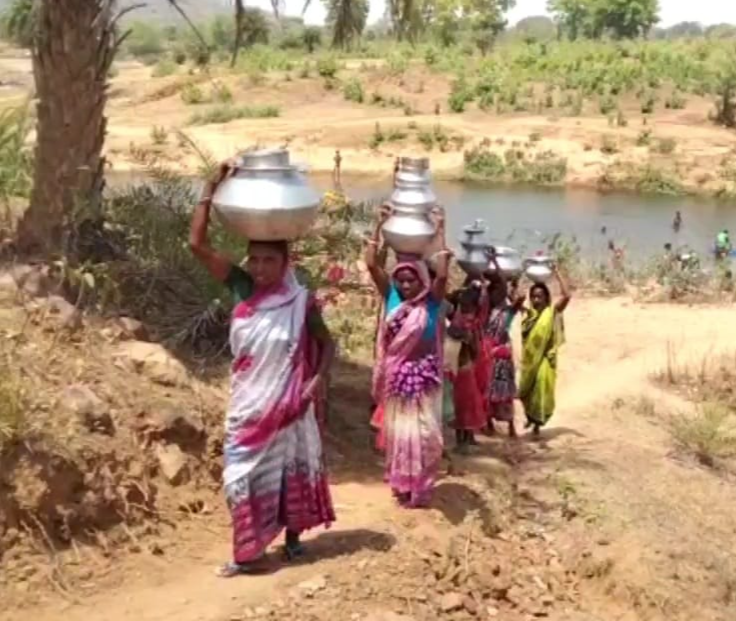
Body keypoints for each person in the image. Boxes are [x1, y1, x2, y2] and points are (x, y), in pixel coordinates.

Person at [190, 163, 336, 577]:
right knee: (237, 475)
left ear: (285, 263)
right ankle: (248, 547)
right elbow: (196, 244)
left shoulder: (300, 302)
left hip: (290, 401)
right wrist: (209, 187)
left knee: (289, 469)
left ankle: (288, 541)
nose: (258, 268)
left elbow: (327, 344)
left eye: (268, 261)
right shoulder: (241, 286)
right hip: (248, 403)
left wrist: (317, 380)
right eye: (253, 259)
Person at [366, 204, 450, 507]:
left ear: (421, 281)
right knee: (401, 436)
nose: (404, 285)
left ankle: (422, 486)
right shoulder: (391, 298)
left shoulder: (430, 303)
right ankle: (403, 485)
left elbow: (442, 276)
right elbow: (372, 265)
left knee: (424, 436)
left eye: (410, 280)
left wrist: (440, 231)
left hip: (423, 378)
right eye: (400, 280)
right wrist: (379, 226)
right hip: (397, 379)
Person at [518, 265, 571, 437]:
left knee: (541, 389)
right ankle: (530, 416)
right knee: (527, 391)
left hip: (545, 360)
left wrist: (556, 272)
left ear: (546, 298)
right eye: (533, 296)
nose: (536, 300)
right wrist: (517, 276)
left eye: (539, 296)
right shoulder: (528, 314)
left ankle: (537, 424)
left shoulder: (552, 312)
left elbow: (567, 296)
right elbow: (513, 298)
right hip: (529, 360)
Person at [484, 269, 524, 439]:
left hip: (502, 356)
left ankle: (511, 426)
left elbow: (520, 298)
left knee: (505, 392)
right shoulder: (484, 312)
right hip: (487, 356)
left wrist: (513, 284)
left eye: (500, 292)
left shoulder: (506, 310)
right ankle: (489, 423)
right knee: (488, 390)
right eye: (494, 292)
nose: (497, 295)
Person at [448, 284, 486, 453]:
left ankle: (464, 439)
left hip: (461, 368)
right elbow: (475, 349)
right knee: (465, 405)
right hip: (464, 367)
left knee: (463, 405)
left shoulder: (459, 324)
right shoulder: (466, 325)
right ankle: (464, 440)